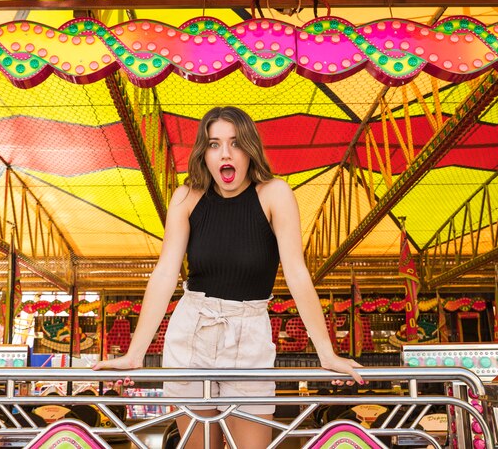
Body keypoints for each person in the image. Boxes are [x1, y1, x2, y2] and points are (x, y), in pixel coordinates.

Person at [94, 106, 363, 448]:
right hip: (193, 332)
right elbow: (164, 273)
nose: (225, 153)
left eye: (235, 143)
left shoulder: (275, 194)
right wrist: (135, 354)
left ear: (249, 149)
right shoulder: (186, 198)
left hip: (249, 333)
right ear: (203, 153)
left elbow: (296, 271)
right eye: (213, 144)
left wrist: (326, 353)